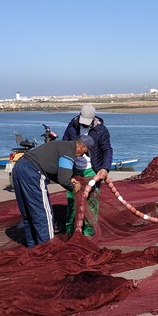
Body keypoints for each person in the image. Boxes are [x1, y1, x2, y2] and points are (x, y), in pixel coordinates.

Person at [10, 135, 94, 247]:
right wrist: (73, 187)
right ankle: (48, 248)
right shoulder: (69, 152)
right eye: (85, 151)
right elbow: (63, 179)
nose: (83, 154)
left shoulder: (62, 145)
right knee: (44, 214)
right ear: (81, 146)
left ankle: (33, 246)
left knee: (28, 212)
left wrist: (69, 180)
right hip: (33, 172)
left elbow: (54, 171)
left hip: (19, 167)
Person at [61, 104, 113, 237]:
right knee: (72, 202)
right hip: (73, 169)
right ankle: (70, 231)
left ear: (93, 118)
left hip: (92, 170)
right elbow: (64, 145)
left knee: (92, 203)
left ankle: (89, 233)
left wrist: (104, 168)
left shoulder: (101, 130)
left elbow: (107, 149)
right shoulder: (72, 126)